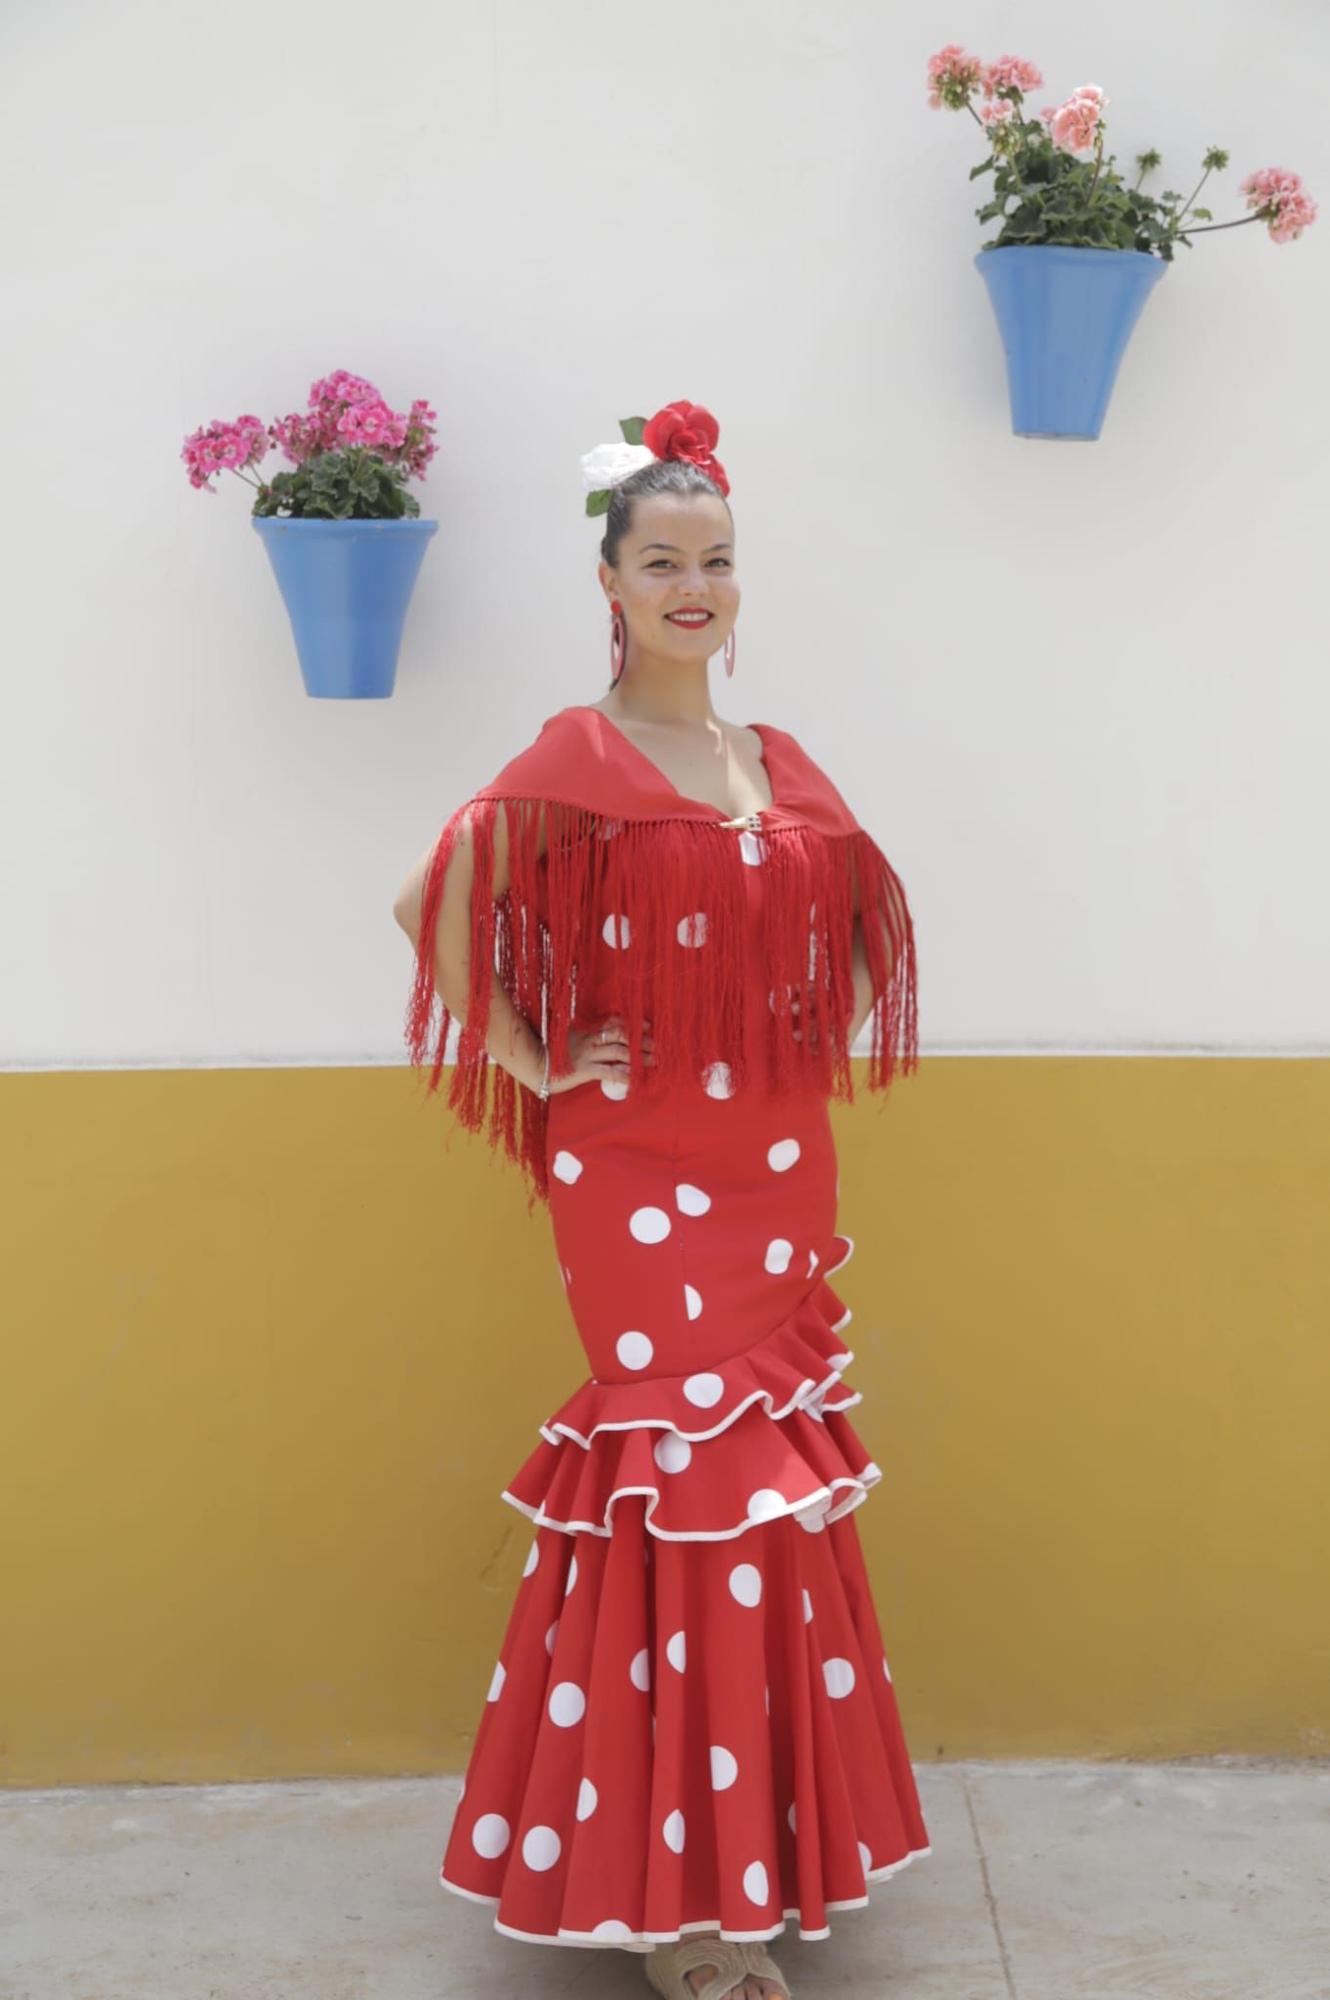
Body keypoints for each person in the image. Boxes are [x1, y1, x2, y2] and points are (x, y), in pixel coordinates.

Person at [393, 401, 930, 2000]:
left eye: (716, 561)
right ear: (611, 585)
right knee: (676, 1476)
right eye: (662, 561)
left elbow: (858, 918)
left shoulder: (776, 761)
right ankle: (682, 1912)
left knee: (763, 1490)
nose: (693, 585)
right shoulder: (576, 756)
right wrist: (539, 1060)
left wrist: (788, 1039)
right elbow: (430, 899)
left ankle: (753, 1866)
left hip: (771, 1167)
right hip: (630, 1179)